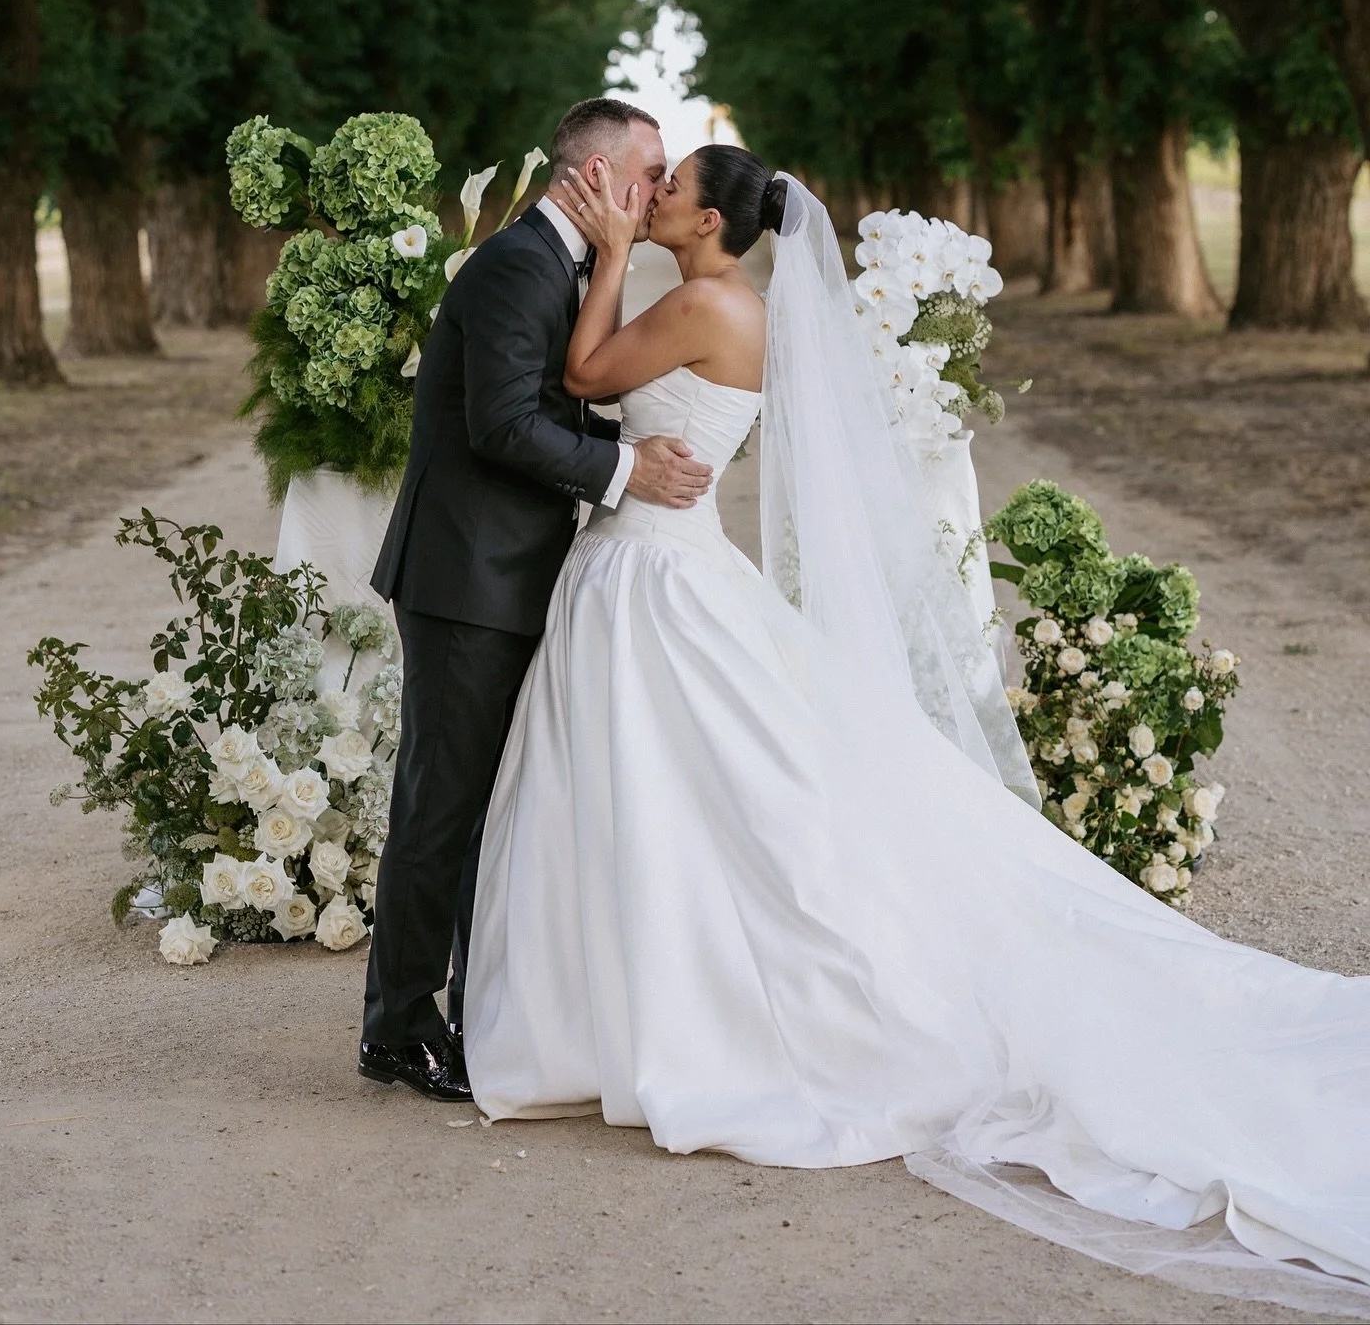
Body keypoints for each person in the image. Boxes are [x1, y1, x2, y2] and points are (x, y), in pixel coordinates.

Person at [464, 145, 1370, 1314]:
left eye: (672, 186)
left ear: (712, 222)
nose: (656, 195)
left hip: (656, 578)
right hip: (661, 565)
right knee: (684, 790)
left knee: (676, 793)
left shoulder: (697, 298)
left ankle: (665, 1010)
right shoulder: (721, 298)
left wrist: (606, 254)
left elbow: (585, 374)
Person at [359, 98, 714, 1102]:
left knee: (487, 803)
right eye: (649, 173)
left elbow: (552, 393)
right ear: (596, 177)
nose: (656, 193)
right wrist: (624, 468)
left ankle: (477, 1011)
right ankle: (397, 1028)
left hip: (503, 572)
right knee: (444, 802)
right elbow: (503, 424)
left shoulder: (553, 261)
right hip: (467, 578)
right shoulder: (517, 265)